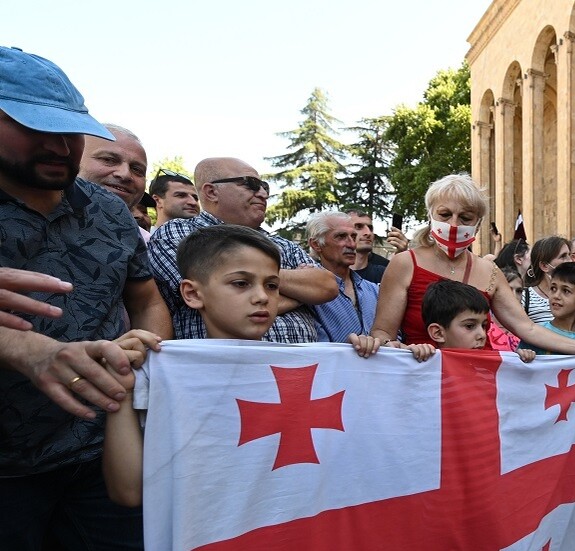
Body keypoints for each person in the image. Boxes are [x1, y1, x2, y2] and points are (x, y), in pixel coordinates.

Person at [0, 46, 172, 549]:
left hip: (100, 455)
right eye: (34, 126)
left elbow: (145, 299)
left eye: (70, 129)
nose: (59, 145)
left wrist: (148, 352)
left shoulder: (109, 211)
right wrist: (32, 353)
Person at [102, 225, 285, 506]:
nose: (262, 296)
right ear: (192, 294)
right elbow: (129, 492)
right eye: (241, 283)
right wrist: (122, 392)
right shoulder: (162, 375)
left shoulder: (302, 374)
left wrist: (365, 361)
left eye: (271, 285)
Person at [370, 174, 575, 355]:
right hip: (422, 381)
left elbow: (527, 328)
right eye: (445, 214)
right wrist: (393, 348)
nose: (454, 223)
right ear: (430, 215)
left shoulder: (489, 271)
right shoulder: (405, 264)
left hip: (479, 381)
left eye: (465, 217)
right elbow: (383, 333)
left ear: (478, 223)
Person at [149, 157, 337, 342]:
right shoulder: (178, 232)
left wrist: (240, 278)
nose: (263, 194)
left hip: (297, 369)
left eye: (271, 286)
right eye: (251, 184)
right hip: (219, 367)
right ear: (212, 192)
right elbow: (217, 302)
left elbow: (327, 286)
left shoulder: (282, 243)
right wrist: (304, 294)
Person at [419, 279, 534, 364]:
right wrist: (413, 354)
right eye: (469, 326)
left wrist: (517, 362)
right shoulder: (424, 364)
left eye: (484, 326)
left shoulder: (488, 366)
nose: (482, 335)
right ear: (438, 333)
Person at [307, 211, 380, 342]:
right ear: (316, 244)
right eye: (341, 236)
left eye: (353, 236)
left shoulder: (374, 291)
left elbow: (393, 336)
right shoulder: (307, 293)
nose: (352, 244)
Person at [78, 124, 150, 241]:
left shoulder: (148, 245)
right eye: (108, 160)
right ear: (75, 159)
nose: (125, 174)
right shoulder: (41, 227)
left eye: (136, 169)